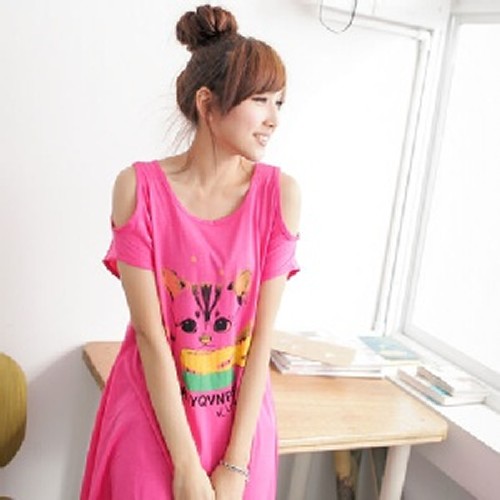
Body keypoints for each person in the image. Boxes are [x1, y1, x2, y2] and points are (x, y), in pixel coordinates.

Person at [80, 4, 301, 499]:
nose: (273, 119)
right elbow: (150, 334)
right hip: (153, 419)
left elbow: (261, 338)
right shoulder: (138, 189)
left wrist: (237, 464)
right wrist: (184, 464)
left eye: (279, 103)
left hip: (239, 430)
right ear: (207, 102)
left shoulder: (280, 196)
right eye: (260, 100)